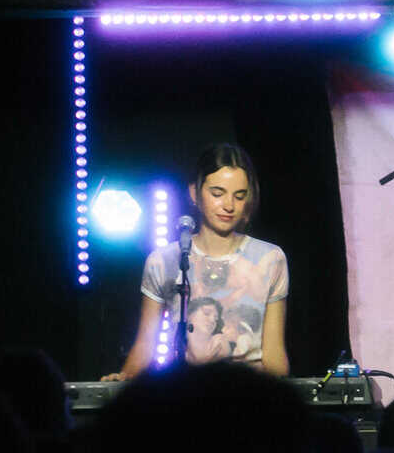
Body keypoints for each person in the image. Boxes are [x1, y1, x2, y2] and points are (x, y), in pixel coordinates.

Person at [105, 143, 289, 378]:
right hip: (187, 391)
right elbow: (145, 346)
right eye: (217, 193)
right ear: (195, 193)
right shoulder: (164, 260)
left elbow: (274, 353)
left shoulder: (269, 258)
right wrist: (122, 381)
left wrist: (282, 395)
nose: (229, 205)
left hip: (251, 392)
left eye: (239, 196)